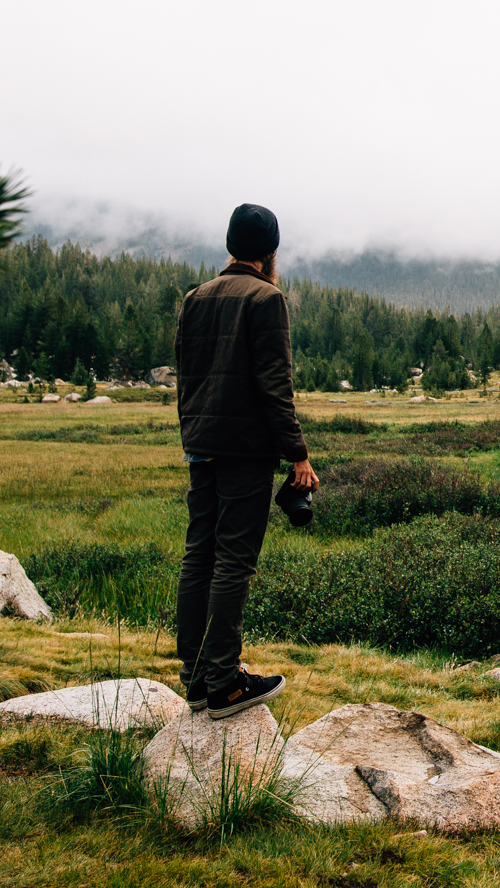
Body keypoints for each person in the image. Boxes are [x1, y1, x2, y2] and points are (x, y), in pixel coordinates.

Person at [173, 203, 319, 718]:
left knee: (199, 556)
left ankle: (194, 677)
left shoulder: (196, 298)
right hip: (245, 452)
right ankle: (225, 682)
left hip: (200, 444)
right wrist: (297, 455)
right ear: (270, 252)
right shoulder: (266, 298)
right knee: (234, 560)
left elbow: (186, 377)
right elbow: (275, 386)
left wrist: (192, 433)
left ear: (232, 245)